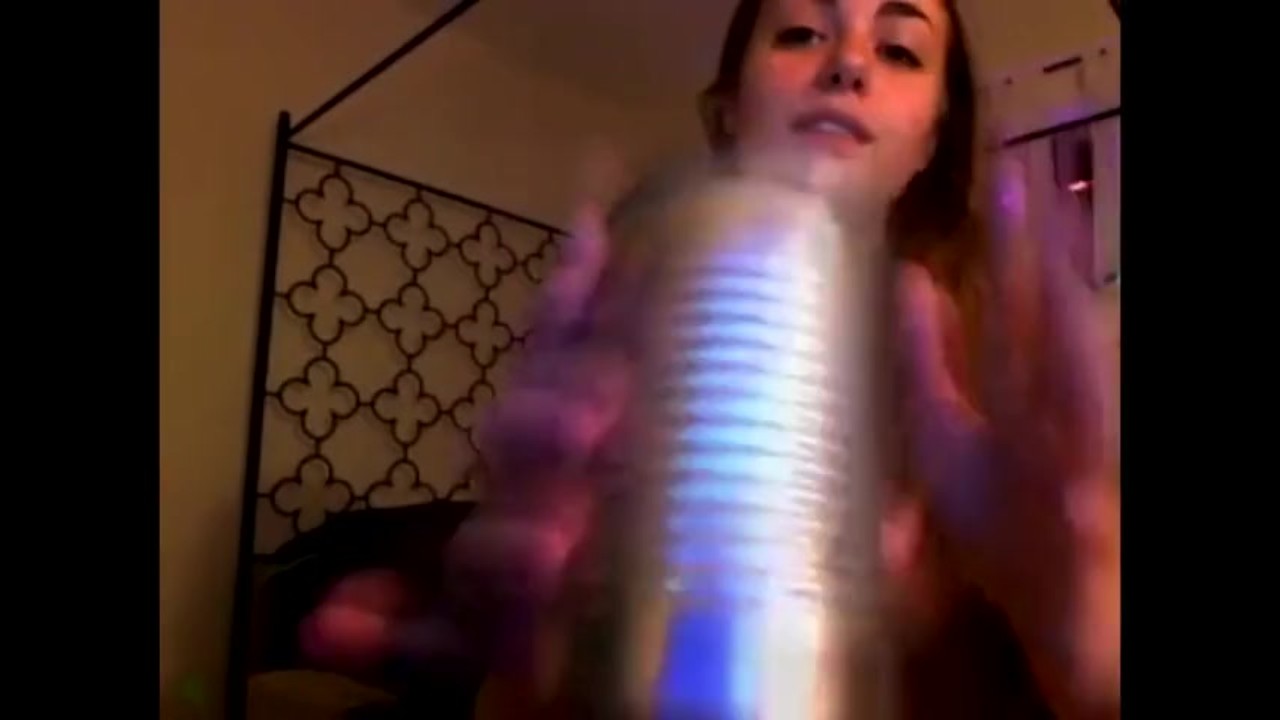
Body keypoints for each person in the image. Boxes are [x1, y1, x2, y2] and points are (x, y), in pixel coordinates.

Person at [303, 0, 1120, 717]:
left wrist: (1088, 645)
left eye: (900, 49)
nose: (847, 65)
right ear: (729, 110)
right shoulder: (612, 364)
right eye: (801, 32)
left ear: (932, 138)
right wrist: (535, 659)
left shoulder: (1017, 396)